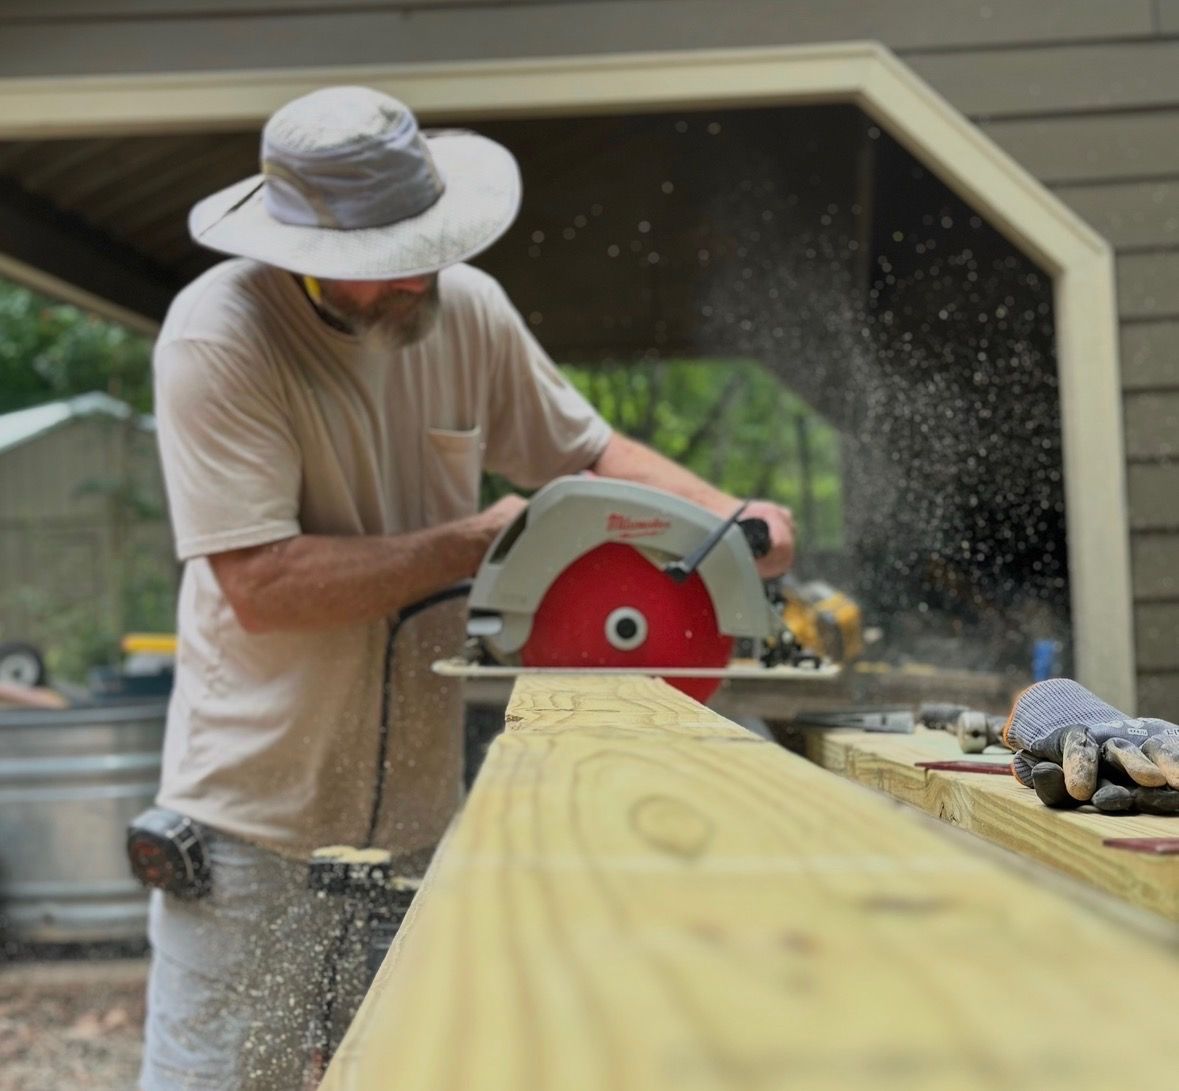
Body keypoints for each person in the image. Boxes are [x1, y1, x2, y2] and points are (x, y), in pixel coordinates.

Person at [140, 85, 795, 1090]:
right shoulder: (220, 337)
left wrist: (724, 523)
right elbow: (263, 585)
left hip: (416, 822)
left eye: (424, 248)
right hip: (254, 828)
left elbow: (587, 455)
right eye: (383, 261)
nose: (415, 278)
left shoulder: (467, 309)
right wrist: (475, 541)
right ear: (299, 250)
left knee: (408, 1072)